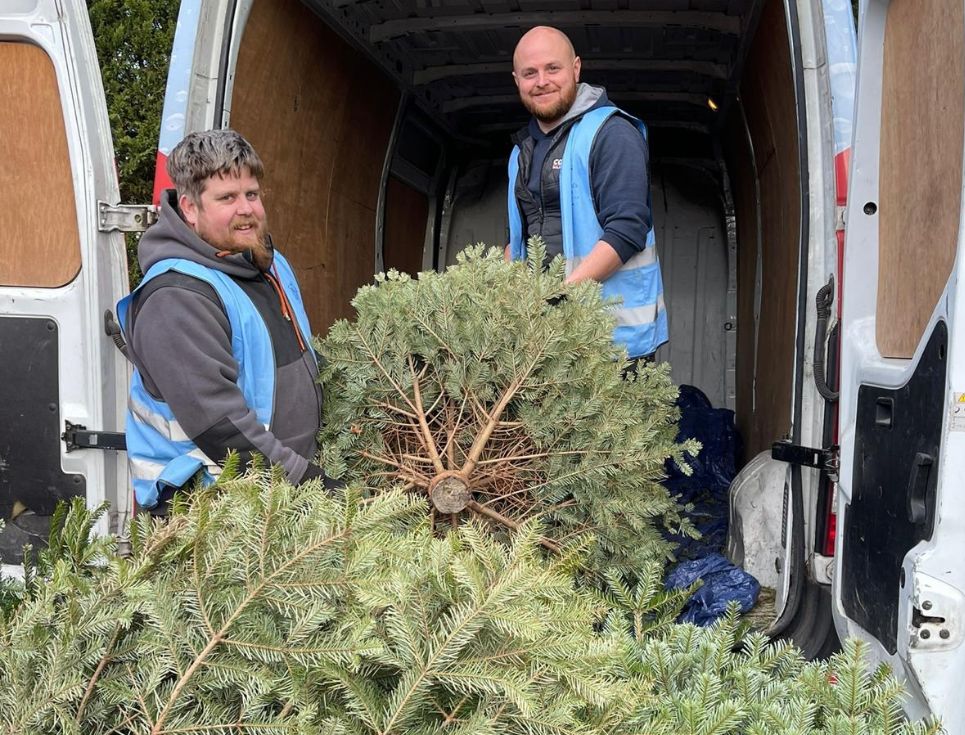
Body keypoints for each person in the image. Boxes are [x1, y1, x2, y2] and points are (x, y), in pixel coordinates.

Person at [117, 129, 326, 512]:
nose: (246, 208)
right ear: (191, 208)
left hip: (274, 492)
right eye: (227, 198)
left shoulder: (270, 265)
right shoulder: (178, 296)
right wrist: (309, 483)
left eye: (252, 194)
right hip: (212, 508)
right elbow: (222, 427)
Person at [506, 26, 668, 361]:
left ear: (576, 68)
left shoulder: (611, 134)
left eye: (553, 68)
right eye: (529, 73)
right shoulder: (520, 152)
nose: (541, 81)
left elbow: (627, 231)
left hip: (613, 344)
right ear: (516, 80)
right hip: (544, 341)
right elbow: (516, 241)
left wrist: (556, 298)